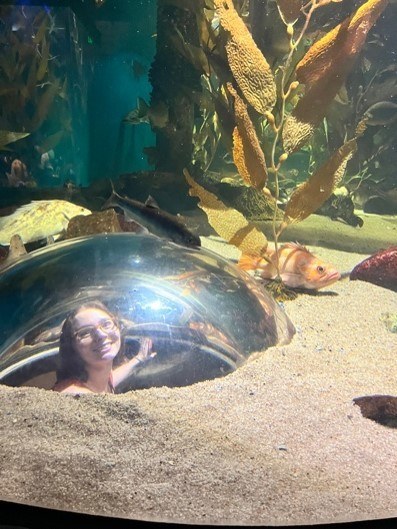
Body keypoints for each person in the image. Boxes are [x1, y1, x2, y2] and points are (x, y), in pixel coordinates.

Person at [52, 301, 155, 394]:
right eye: (85, 332)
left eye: (106, 324)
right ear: (71, 345)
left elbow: (112, 378)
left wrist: (139, 358)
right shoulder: (75, 395)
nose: (101, 335)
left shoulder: (100, 378)